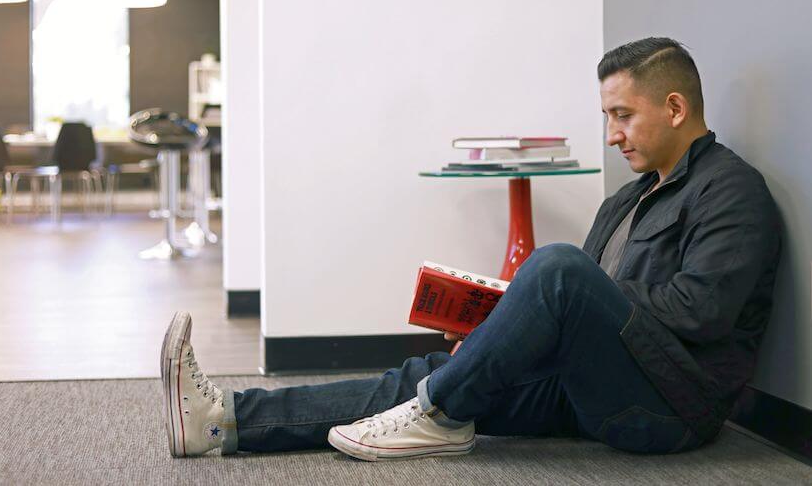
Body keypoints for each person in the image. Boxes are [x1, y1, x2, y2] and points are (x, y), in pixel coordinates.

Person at [160, 37, 781, 461]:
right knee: (432, 375)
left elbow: (701, 311)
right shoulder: (628, 198)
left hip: (670, 409)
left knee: (556, 267)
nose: (611, 134)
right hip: (595, 385)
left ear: (675, 107)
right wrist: (507, 329)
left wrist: (547, 309)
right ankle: (225, 421)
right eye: (606, 116)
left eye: (622, 115)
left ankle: (437, 417)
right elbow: (588, 316)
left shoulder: (730, 190)